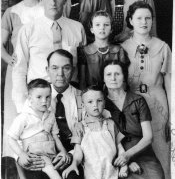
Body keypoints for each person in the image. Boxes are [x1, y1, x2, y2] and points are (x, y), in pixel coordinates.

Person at [12, 0, 86, 113]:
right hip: (38, 97)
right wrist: (21, 106)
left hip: (71, 97)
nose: (53, 2)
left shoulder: (77, 28)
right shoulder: (28, 30)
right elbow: (19, 69)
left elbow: (84, 68)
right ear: (41, 0)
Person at [121, 1, 171, 179]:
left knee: (162, 151)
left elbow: (170, 83)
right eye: (139, 18)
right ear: (131, 20)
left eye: (148, 18)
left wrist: (171, 117)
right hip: (132, 107)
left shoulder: (163, 47)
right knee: (134, 157)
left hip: (157, 105)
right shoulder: (122, 48)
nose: (144, 22)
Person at [17, 49, 84, 179]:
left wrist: (70, 155)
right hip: (40, 154)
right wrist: (21, 157)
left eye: (66, 68)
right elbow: (20, 132)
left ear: (73, 70)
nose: (60, 74)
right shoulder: (35, 98)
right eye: (54, 68)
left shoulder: (82, 97)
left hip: (72, 153)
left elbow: (87, 134)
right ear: (47, 70)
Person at [1, 0, 44, 160]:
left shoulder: (47, 6)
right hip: (19, 71)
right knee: (21, 113)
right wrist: (9, 58)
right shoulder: (12, 11)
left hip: (42, 68)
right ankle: (21, 159)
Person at [103, 59, 165, 179]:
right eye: (108, 74)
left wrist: (128, 155)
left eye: (117, 74)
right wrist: (126, 161)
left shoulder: (138, 100)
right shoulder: (101, 104)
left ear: (124, 77)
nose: (113, 78)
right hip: (115, 155)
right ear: (103, 78)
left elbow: (148, 137)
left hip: (142, 152)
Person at [8, 78, 71, 179]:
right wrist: (21, 154)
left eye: (48, 97)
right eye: (39, 97)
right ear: (30, 98)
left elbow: (55, 136)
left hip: (50, 153)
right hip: (35, 155)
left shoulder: (50, 115)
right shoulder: (24, 117)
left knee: (62, 163)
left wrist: (63, 151)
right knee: (50, 169)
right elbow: (11, 138)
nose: (44, 101)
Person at [62, 85, 128, 179]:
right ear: (83, 105)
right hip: (91, 172)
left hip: (111, 171)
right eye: (90, 102)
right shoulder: (80, 126)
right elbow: (78, 151)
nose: (95, 105)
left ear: (104, 103)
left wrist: (124, 165)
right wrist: (74, 164)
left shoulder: (110, 123)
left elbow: (120, 148)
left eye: (99, 101)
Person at [78, 10, 129, 89]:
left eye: (106, 25)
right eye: (97, 25)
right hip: (93, 96)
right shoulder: (84, 51)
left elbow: (124, 79)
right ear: (92, 29)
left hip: (114, 93)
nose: (102, 28)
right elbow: (82, 82)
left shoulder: (119, 51)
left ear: (111, 29)